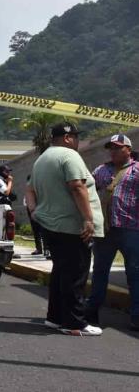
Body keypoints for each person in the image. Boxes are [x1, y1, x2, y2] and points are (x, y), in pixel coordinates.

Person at [25, 123, 104, 336]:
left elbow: (29, 190)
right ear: (67, 138)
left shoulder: (42, 159)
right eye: (76, 137)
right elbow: (77, 186)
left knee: (61, 273)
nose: (78, 141)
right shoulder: (69, 156)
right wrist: (88, 220)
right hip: (72, 226)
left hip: (52, 225)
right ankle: (74, 323)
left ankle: (55, 317)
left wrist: (34, 211)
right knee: (75, 276)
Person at [86, 134, 139, 331]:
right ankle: (91, 312)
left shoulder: (137, 169)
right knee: (99, 272)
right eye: (111, 148)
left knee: (135, 274)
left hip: (131, 229)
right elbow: (86, 188)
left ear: (128, 150)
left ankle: (136, 316)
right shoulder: (102, 170)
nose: (113, 151)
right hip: (105, 230)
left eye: (118, 147)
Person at [25, 174, 49, 258]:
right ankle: (39, 249)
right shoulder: (29, 189)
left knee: (43, 230)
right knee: (36, 230)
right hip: (31, 210)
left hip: (40, 209)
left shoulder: (39, 188)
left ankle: (46, 249)